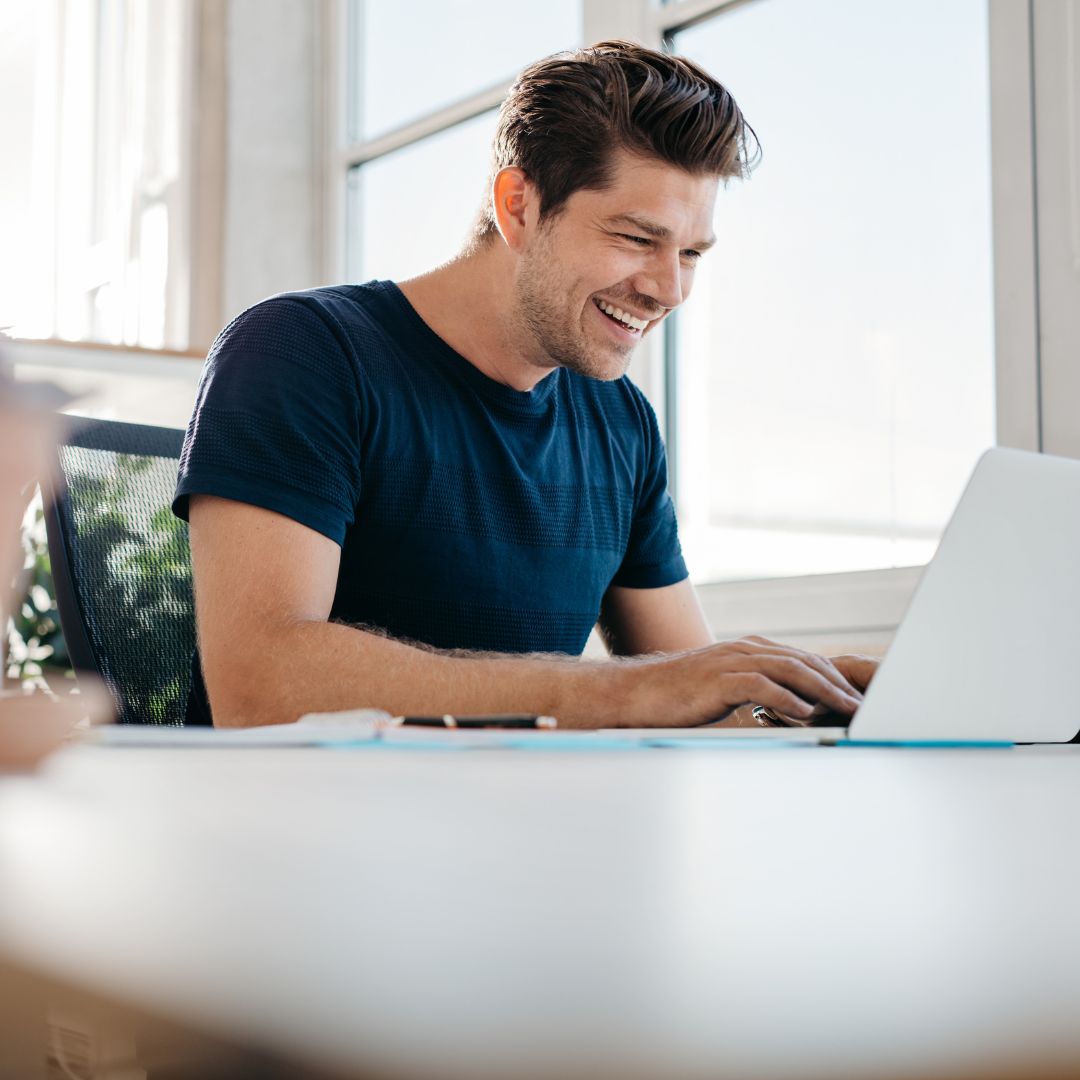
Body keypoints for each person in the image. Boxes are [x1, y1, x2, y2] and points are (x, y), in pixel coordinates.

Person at [174, 40, 875, 729]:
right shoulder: (305, 352)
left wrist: (813, 701)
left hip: (522, 828)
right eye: (636, 239)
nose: (670, 288)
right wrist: (614, 694)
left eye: (691, 253)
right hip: (306, 833)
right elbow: (257, 686)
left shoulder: (620, 421)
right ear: (518, 207)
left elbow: (684, 691)